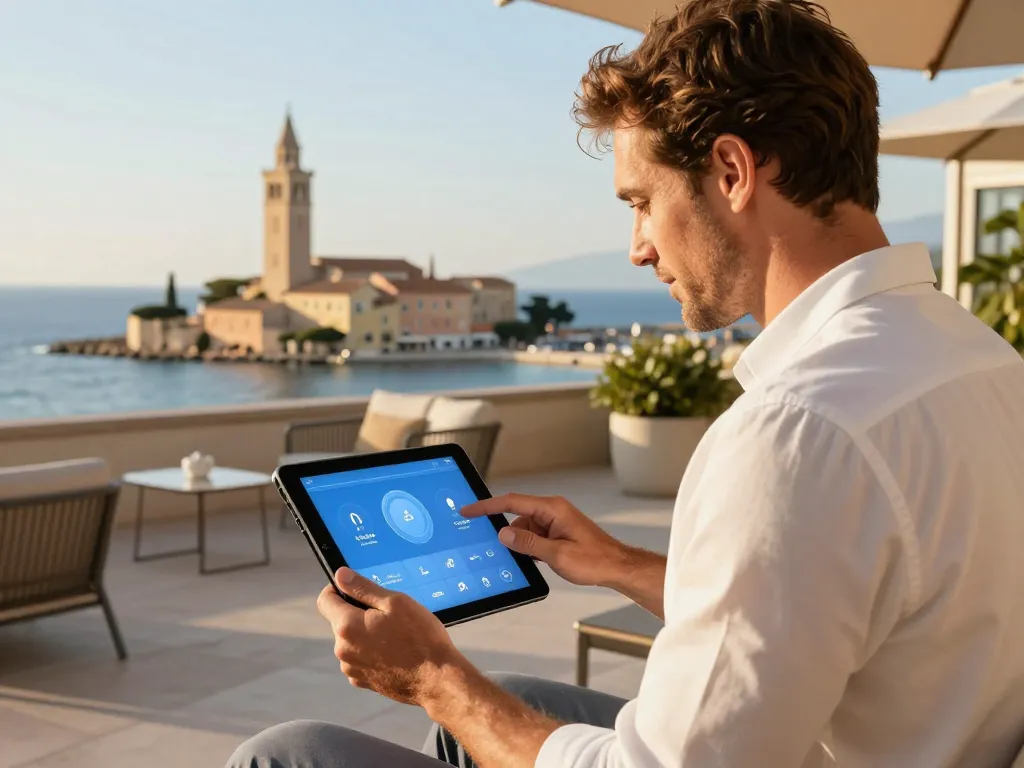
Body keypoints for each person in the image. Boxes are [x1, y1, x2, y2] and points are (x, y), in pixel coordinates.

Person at [228, 1, 1024, 766]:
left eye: (642, 202)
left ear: (732, 170)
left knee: (287, 753)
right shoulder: (981, 361)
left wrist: (434, 679)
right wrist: (621, 563)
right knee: (512, 702)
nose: (637, 247)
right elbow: (829, 612)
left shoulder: (797, 433)